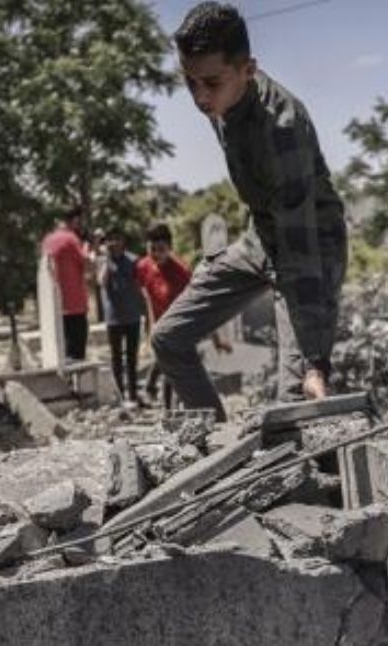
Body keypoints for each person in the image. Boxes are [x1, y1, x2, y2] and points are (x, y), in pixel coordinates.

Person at [153, 1, 347, 421]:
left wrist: (315, 359)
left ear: (248, 70)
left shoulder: (282, 129)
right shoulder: (218, 99)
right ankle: (216, 442)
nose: (200, 97)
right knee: (168, 339)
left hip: (311, 246)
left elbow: (300, 253)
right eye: (189, 82)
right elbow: (267, 215)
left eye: (210, 83)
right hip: (261, 236)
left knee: (295, 399)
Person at [136, 222, 231, 408]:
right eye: (152, 249)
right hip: (161, 329)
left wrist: (216, 339)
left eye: (161, 250)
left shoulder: (181, 273)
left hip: (182, 329)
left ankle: (168, 406)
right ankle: (162, 401)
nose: (156, 254)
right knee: (164, 358)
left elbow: (202, 305)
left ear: (170, 248)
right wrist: (150, 329)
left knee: (171, 369)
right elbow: (148, 299)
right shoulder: (143, 267)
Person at [98, 228, 146, 405]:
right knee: (116, 358)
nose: (114, 243)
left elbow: (141, 285)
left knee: (132, 358)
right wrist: (107, 261)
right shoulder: (104, 262)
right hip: (113, 318)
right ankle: (119, 395)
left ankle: (133, 394)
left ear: (123, 241)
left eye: (118, 239)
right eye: (110, 240)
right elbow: (102, 282)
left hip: (132, 315)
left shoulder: (133, 261)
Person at [42, 206, 91, 361]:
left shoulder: (47, 240)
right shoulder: (71, 239)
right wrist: (88, 247)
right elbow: (87, 264)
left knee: (61, 355)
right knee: (77, 356)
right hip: (75, 306)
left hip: (54, 305)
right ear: (75, 220)